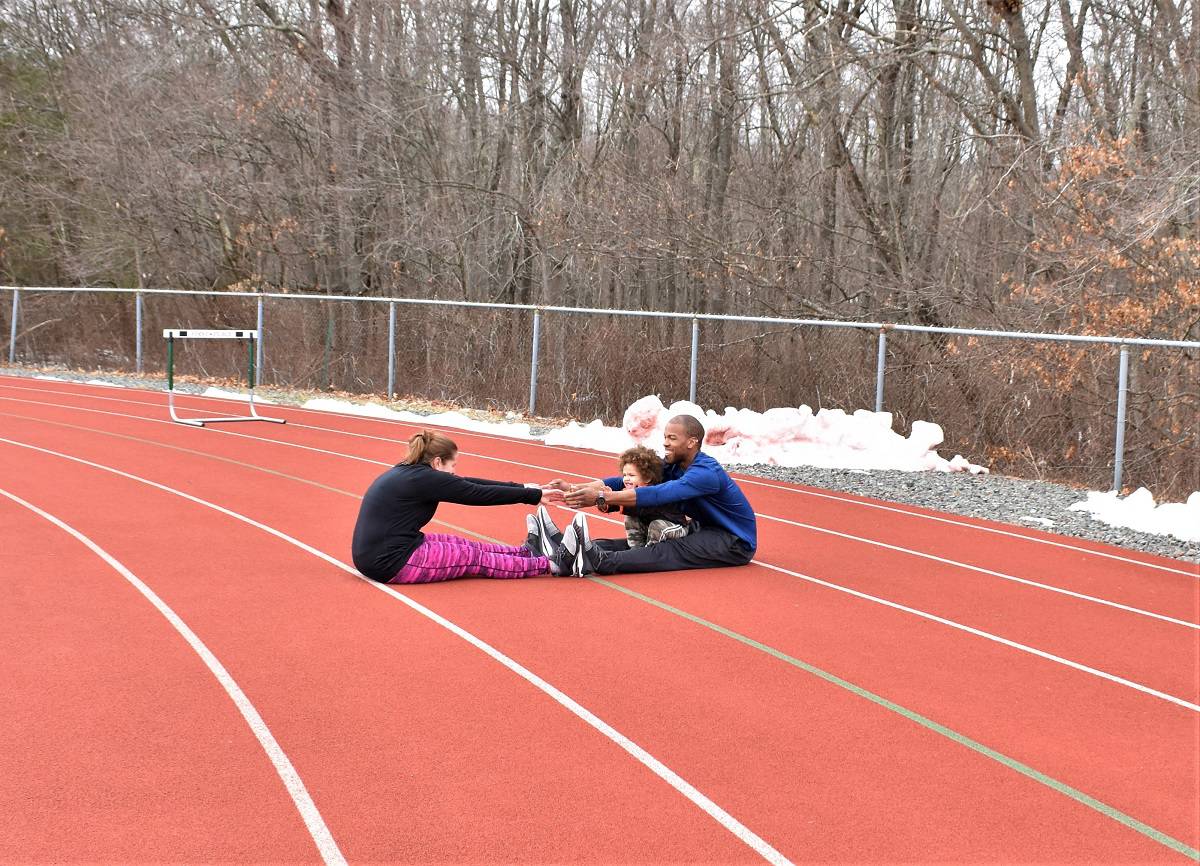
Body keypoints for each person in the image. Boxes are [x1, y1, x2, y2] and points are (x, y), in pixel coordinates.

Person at [539, 415, 757, 576]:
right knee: (636, 543)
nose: (665, 443)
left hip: (734, 540)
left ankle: (600, 561)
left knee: (668, 549)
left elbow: (660, 494)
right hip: (702, 528)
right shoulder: (674, 465)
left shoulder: (706, 474)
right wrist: (574, 488)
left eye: (672, 438)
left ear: (691, 442)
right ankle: (565, 550)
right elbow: (631, 479)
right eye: (665, 437)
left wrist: (602, 499)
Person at [351, 430, 575, 583]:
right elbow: (476, 493)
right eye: (453, 465)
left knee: (462, 543)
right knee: (472, 557)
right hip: (390, 563)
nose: (454, 471)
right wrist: (531, 495)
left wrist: (527, 489)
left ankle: (527, 552)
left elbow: (467, 483)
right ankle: (552, 564)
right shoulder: (425, 478)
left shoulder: (413, 473)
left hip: (387, 551)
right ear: (437, 462)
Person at [614, 445, 690, 547]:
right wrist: (604, 501)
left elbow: (642, 508)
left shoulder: (654, 492)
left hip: (675, 527)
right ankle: (636, 549)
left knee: (656, 526)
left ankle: (650, 553)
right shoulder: (634, 492)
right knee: (631, 517)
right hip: (651, 525)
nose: (626, 479)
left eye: (631, 475)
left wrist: (613, 499)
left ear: (647, 478)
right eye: (624, 475)